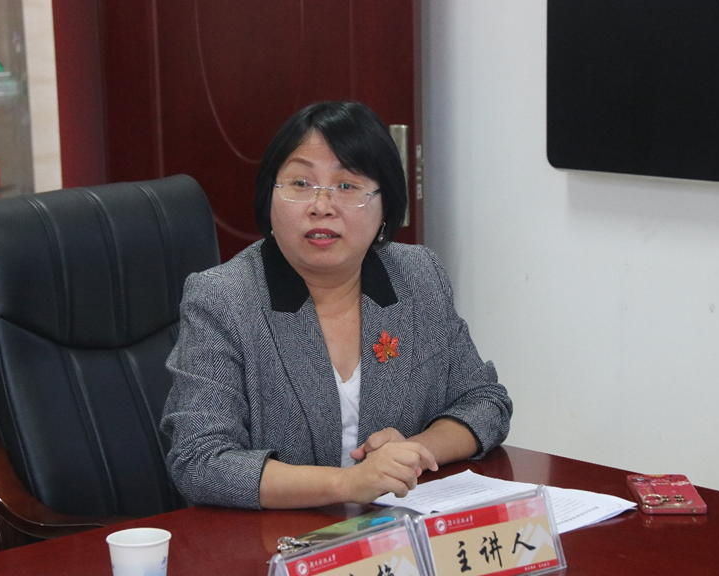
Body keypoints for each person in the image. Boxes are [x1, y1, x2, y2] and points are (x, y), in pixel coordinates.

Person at [161, 101, 512, 509]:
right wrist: (346, 484)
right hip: (277, 536)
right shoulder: (224, 299)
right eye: (300, 183)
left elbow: (485, 401)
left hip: (392, 530)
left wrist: (410, 453)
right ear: (269, 197)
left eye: (347, 186)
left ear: (385, 205)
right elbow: (199, 460)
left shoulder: (417, 276)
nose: (322, 206)